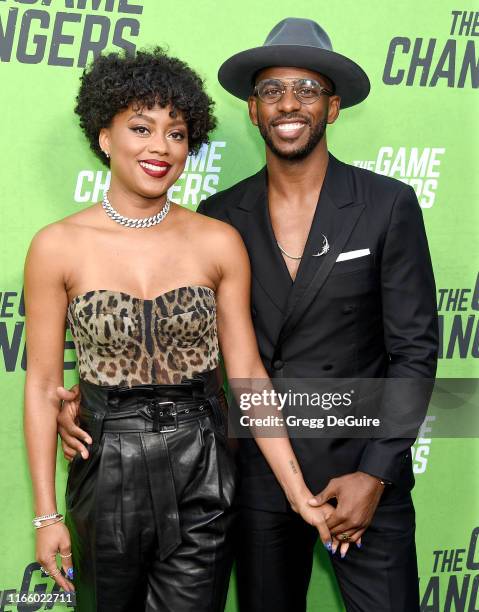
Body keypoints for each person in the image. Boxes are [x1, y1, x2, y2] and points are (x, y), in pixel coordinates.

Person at [56, 18, 438, 612]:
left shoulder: (387, 205)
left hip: (363, 474)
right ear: (253, 111)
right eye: (271, 91)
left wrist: (377, 474)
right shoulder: (218, 217)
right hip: (254, 476)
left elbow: (415, 349)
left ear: (333, 107)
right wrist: (96, 400)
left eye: (307, 90)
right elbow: (194, 342)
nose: (289, 103)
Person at [24, 46, 344, 612]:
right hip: (106, 468)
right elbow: (43, 385)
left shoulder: (217, 241)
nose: (160, 148)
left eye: (176, 133)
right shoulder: (57, 246)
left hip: (204, 466)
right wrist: (47, 515)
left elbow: (246, 375)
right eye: (141, 128)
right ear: (104, 136)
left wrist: (299, 495)